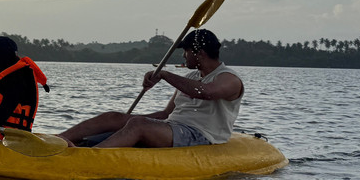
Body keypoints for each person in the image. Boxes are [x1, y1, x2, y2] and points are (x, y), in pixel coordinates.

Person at [57, 29, 243, 148]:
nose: (184, 57)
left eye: (186, 52)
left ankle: (90, 155)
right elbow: (165, 114)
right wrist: (126, 120)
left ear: (199, 53)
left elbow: (206, 92)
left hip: (201, 136)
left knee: (138, 125)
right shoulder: (192, 77)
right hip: (172, 127)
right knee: (115, 117)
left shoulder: (229, 78)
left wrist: (164, 75)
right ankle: (58, 139)